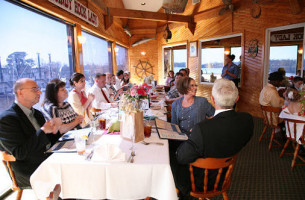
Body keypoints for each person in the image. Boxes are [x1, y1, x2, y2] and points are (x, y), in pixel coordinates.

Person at [176, 78, 253, 198]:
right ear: (236, 99)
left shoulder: (201, 129)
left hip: (200, 181)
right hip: (224, 176)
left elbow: (181, 158)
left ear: (212, 100)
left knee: (172, 157)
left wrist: (194, 137)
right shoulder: (248, 120)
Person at [0, 78, 61, 188]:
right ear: (20, 92)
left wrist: (55, 130)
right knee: (70, 178)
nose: (40, 92)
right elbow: (20, 153)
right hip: (29, 168)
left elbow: (48, 141)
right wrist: (43, 131)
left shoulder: (37, 113)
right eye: (34, 89)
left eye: (38, 89)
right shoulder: (6, 119)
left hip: (47, 158)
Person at [170, 77, 215, 197]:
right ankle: (183, 185)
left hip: (197, 139)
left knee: (180, 157)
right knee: (167, 152)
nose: (195, 88)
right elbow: (174, 126)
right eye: (192, 86)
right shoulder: (175, 105)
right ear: (184, 88)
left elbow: (214, 117)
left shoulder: (202, 102)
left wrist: (202, 127)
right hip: (181, 139)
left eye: (195, 86)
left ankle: (185, 190)